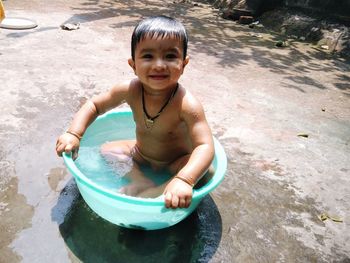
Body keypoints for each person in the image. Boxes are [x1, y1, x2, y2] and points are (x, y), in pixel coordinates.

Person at [56, 15, 214, 209]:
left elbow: (205, 146)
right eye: (148, 56)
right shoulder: (130, 90)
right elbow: (94, 106)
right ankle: (140, 181)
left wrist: (185, 179)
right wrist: (74, 133)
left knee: (205, 171)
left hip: (176, 161)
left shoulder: (187, 104)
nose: (159, 65)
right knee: (109, 149)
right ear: (133, 65)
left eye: (170, 56)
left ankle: (162, 191)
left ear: (184, 64)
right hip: (142, 154)